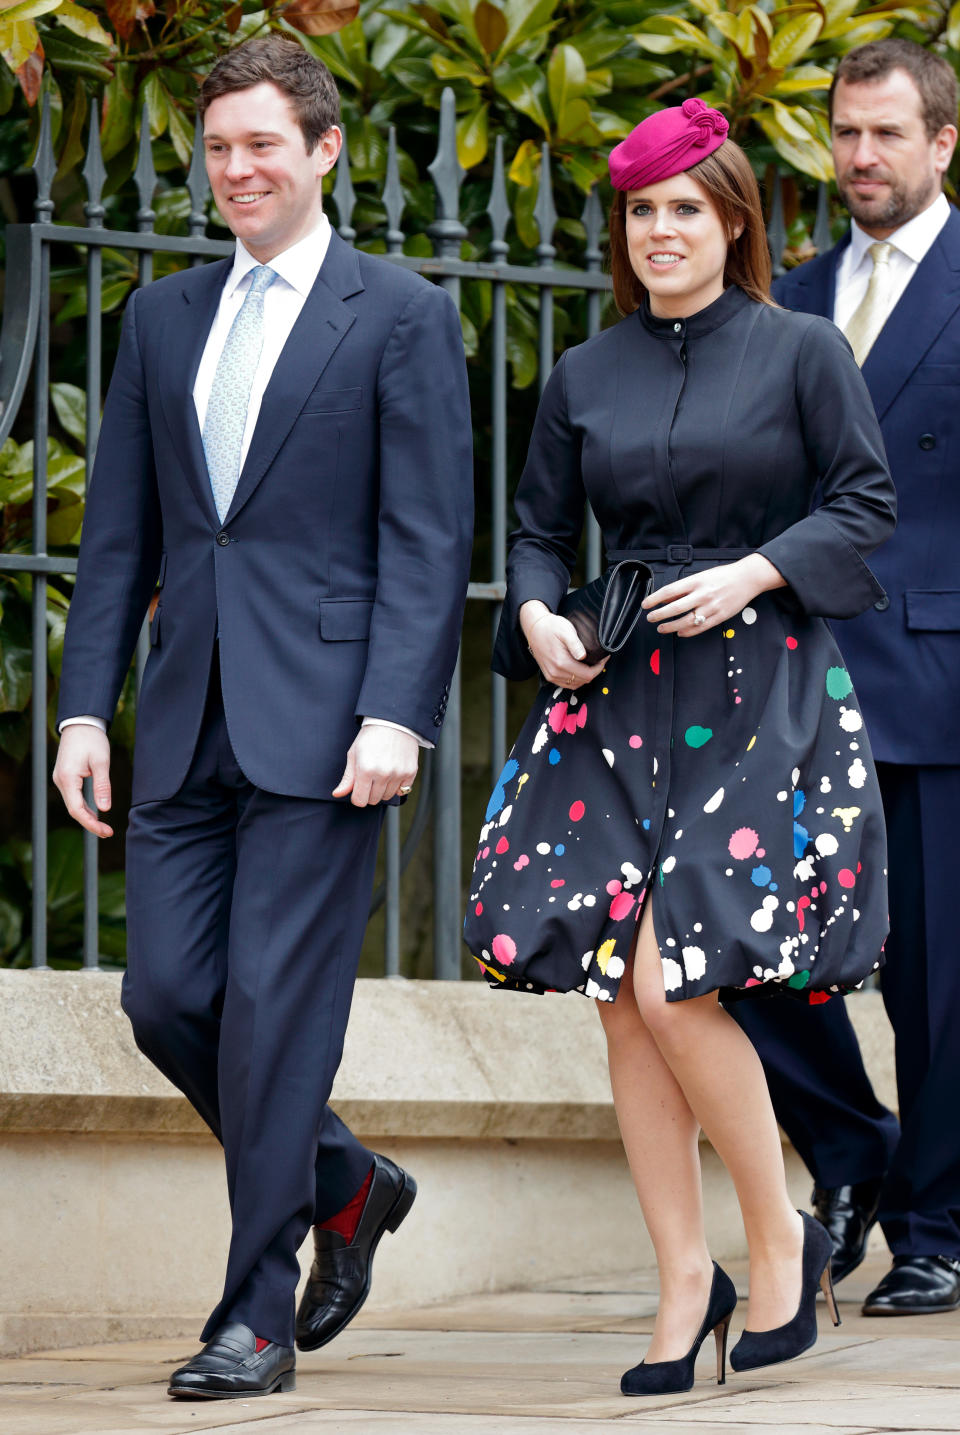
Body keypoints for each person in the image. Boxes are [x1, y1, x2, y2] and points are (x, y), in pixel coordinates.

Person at [52, 35, 473, 1400]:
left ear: (323, 150)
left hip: (328, 725)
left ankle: (256, 1311)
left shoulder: (398, 311)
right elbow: (119, 537)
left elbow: (425, 536)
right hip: (184, 719)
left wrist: (397, 711)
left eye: (261, 147)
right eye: (220, 148)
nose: (237, 169)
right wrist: (82, 711)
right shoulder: (165, 318)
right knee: (166, 995)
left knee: (275, 1017)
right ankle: (345, 1178)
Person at [464, 98, 897, 1396]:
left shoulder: (806, 351)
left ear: (733, 222)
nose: (661, 231)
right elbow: (539, 530)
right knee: (622, 999)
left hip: (759, 692)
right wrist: (539, 613)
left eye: (685, 210)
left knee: (675, 978)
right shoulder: (588, 373)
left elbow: (863, 505)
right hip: (614, 696)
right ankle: (680, 1281)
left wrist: (759, 570)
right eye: (642, 211)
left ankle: (778, 1235)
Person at [731, 38, 960, 1317]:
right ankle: (856, 1146)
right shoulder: (794, 298)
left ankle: (936, 1224)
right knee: (746, 948)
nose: (861, 158)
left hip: (937, 671)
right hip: (792, 681)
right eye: (846, 134)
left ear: (942, 141)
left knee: (936, 981)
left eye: (886, 134)